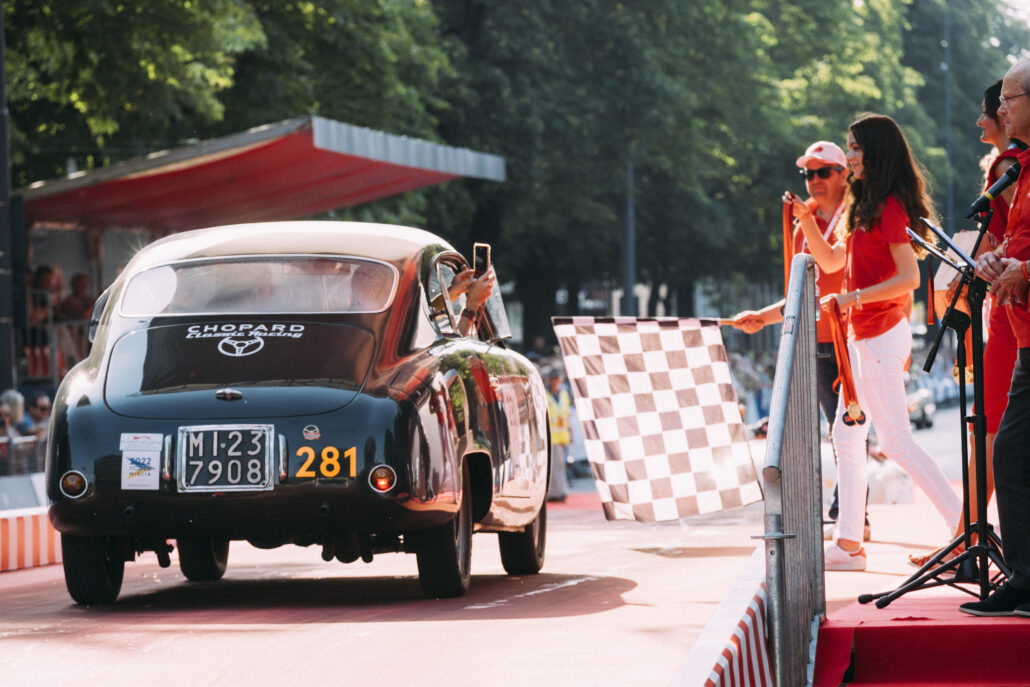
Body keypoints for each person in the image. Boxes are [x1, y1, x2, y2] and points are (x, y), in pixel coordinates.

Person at [795, 113, 961, 572]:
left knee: (894, 439)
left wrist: (853, 297)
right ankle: (849, 544)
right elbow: (829, 260)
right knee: (848, 435)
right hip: (861, 334)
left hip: (882, 334)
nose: (848, 158)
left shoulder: (889, 208)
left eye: (854, 149)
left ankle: (961, 528)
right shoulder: (861, 205)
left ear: (875, 152)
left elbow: (908, 278)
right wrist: (807, 219)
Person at [730, 140, 871, 540]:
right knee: (841, 431)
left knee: (852, 430)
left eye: (823, 171)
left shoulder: (856, 218)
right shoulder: (800, 228)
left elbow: (833, 263)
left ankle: (850, 516)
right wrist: (763, 317)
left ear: (844, 174)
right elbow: (798, 296)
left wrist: (806, 220)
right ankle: (851, 514)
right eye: (808, 173)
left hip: (855, 338)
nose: (814, 180)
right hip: (816, 340)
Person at [910, 80, 1023, 569]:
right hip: (1005, 304)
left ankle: (968, 539)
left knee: (995, 429)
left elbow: (1003, 245)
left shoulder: (1010, 165)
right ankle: (966, 536)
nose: (983, 120)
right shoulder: (1004, 168)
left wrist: (988, 260)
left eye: (993, 110)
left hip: (1010, 309)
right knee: (995, 429)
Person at [962, 58, 1030, 616]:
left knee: (1010, 451)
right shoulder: (1020, 170)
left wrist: (1023, 270)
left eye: (1008, 97)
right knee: (1010, 452)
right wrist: (996, 259)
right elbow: (1017, 240)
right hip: (1024, 330)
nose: (997, 109)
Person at [544, 367, 572, 502]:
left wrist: (569, 433)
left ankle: (560, 490)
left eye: (557, 379)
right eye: (554, 379)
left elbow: (566, 415)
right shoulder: (546, 394)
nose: (556, 381)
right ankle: (555, 492)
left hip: (561, 436)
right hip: (550, 436)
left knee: (560, 465)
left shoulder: (563, 395)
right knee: (552, 466)